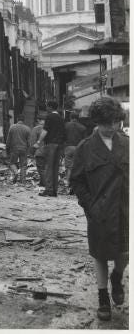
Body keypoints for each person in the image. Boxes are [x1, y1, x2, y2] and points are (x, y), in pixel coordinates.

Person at [69, 97, 128, 322]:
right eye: (109, 123)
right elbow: (76, 180)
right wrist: (90, 206)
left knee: (125, 253)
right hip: (100, 212)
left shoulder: (126, 143)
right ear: (98, 121)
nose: (114, 127)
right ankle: (103, 297)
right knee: (100, 255)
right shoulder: (86, 148)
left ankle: (118, 276)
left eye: (116, 122)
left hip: (124, 210)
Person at [34, 100, 65, 197]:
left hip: (51, 144)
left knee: (48, 167)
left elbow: (45, 131)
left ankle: (49, 190)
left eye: (47, 106)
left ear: (51, 107)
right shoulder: (61, 118)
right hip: (59, 145)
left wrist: (38, 142)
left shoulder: (49, 116)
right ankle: (54, 190)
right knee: (56, 168)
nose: (46, 108)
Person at [64, 112, 87, 193]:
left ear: (70, 117)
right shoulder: (83, 127)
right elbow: (85, 140)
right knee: (76, 168)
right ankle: (75, 186)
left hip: (68, 147)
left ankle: (68, 185)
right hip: (78, 148)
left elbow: (63, 136)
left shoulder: (66, 125)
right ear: (78, 118)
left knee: (69, 168)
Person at [6, 114, 31, 184]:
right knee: (23, 165)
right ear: (24, 120)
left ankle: (16, 172)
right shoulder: (27, 129)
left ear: (17, 119)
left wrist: (7, 149)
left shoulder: (12, 127)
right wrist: (28, 151)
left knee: (12, 163)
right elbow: (29, 142)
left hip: (14, 149)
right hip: (24, 149)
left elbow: (8, 140)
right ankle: (23, 181)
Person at [29, 114, 46, 187]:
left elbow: (33, 142)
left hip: (40, 151)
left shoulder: (36, 129)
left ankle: (44, 184)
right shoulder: (50, 128)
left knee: (41, 168)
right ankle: (43, 182)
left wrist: (31, 153)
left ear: (38, 120)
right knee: (46, 168)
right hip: (50, 151)